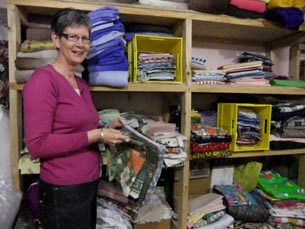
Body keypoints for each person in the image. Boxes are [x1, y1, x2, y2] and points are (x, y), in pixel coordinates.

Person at [23, 8, 129, 229]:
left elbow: (80, 129)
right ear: (56, 38)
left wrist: (108, 128)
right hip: (63, 191)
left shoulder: (81, 84)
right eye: (73, 37)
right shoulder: (43, 81)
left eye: (85, 39)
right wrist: (96, 134)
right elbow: (37, 145)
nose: (80, 44)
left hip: (87, 185)